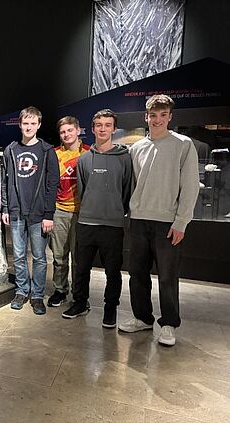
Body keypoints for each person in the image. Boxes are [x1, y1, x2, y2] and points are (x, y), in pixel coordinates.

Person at [119, 94, 199, 346]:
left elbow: (190, 186)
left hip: (167, 223)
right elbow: (132, 184)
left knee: (167, 276)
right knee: (137, 273)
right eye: (153, 115)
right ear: (146, 117)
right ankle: (142, 317)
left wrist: (181, 222)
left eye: (163, 115)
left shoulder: (183, 145)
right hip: (139, 220)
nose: (157, 120)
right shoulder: (136, 148)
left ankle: (169, 324)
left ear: (170, 117)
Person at [61, 109, 131, 328]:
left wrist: (115, 210)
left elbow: (127, 190)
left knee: (113, 271)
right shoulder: (84, 159)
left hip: (113, 224)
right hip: (86, 222)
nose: (103, 129)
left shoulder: (125, 158)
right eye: (99, 125)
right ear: (92, 129)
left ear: (114, 129)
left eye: (107, 125)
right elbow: (83, 190)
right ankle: (80, 303)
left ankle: (110, 309)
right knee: (81, 268)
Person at [1, 106, 59, 315]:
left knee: (39, 257)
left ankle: (37, 295)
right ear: (20, 124)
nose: (29, 127)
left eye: (33, 123)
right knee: (18, 256)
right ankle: (22, 291)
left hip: (38, 214)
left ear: (39, 125)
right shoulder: (11, 150)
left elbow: (52, 184)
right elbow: (5, 181)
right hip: (16, 211)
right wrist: (5, 207)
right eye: (25, 123)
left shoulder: (46, 151)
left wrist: (48, 214)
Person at [47, 116, 90, 307]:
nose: (66, 134)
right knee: (59, 257)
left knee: (79, 259)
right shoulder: (54, 154)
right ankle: (60, 290)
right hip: (59, 211)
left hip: (82, 213)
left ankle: (79, 296)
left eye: (70, 130)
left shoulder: (89, 152)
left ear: (78, 130)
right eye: (63, 132)